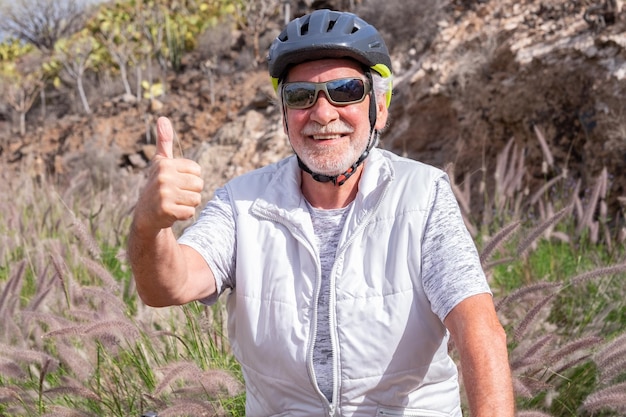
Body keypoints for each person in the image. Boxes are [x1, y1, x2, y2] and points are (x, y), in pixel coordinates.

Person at [128, 9, 515, 417]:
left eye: (345, 90)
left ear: (378, 107)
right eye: (300, 96)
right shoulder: (241, 203)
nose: (323, 113)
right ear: (284, 115)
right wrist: (149, 225)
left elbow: (479, 332)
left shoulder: (422, 195)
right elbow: (166, 287)